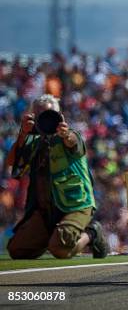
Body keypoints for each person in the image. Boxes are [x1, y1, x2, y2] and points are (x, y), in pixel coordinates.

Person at [5, 94, 108, 259]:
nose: (46, 120)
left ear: (60, 116)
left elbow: (73, 143)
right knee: (17, 250)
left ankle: (92, 233)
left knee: (60, 250)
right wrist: (23, 134)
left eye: (50, 115)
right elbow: (12, 162)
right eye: (40, 116)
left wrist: (64, 134)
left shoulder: (71, 135)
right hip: (45, 210)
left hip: (75, 205)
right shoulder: (34, 142)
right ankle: (51, 236)